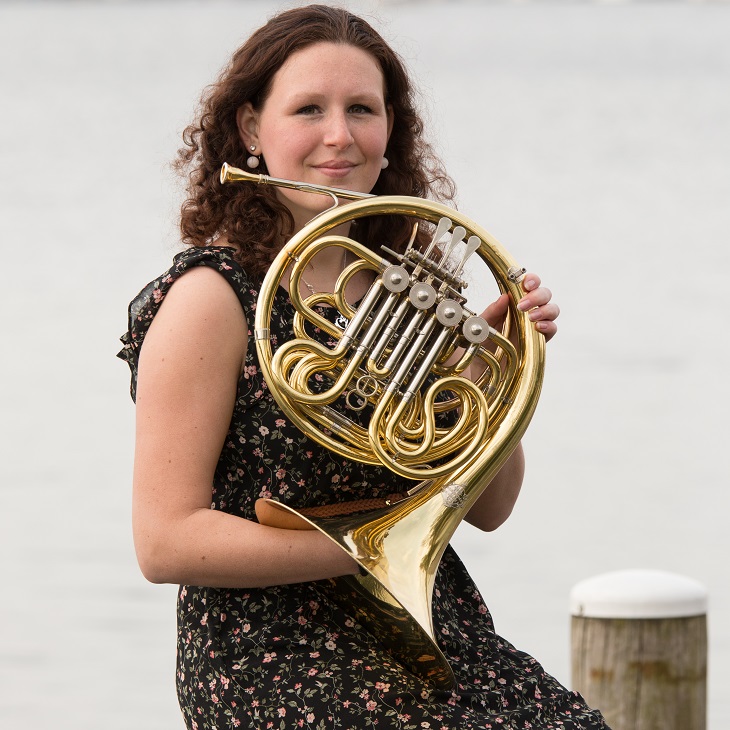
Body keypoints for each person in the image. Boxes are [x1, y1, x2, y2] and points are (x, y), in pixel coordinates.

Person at [119, 5, 609, 729]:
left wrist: (485, 369)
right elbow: (164, 542)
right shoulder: (210, 298)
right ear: (253, 130)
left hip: (428, 628)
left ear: (391, 133)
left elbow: (491, 509)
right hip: (271, 654)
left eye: (362, 110)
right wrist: (368, 551)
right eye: (308, 109)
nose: (339, 136)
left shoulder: (405, 287)